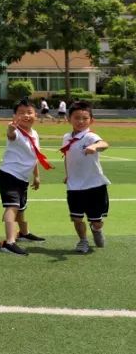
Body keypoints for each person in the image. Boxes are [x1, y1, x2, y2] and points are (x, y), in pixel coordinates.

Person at [0, 99, 50, 256]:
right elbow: (11, 135)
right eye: (21, 113)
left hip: (22, 178)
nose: (26, 115)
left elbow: (34, 155)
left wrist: (36, 176)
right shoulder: (17, 132)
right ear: (15, 116)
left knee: (21, 208)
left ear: (36, 114)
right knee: (12, 207)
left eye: (29, 112)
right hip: (9, 175)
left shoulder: (34, 134)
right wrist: (11, 129)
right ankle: (9, 242)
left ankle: (24, 233)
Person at [61, 101, 110, 254]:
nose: (81, 121)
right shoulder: (67, 137)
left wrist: (94, 146)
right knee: (76, 218)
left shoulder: (90, 136)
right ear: (69, 119)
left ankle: (96, 229)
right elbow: (67, 157)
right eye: (77, 118)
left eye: (84, 118)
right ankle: (83, 241)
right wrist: (68, 175)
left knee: (96, 220)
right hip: (74, 185)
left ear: (91, 120)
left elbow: (104, 143)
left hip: (94, 185)